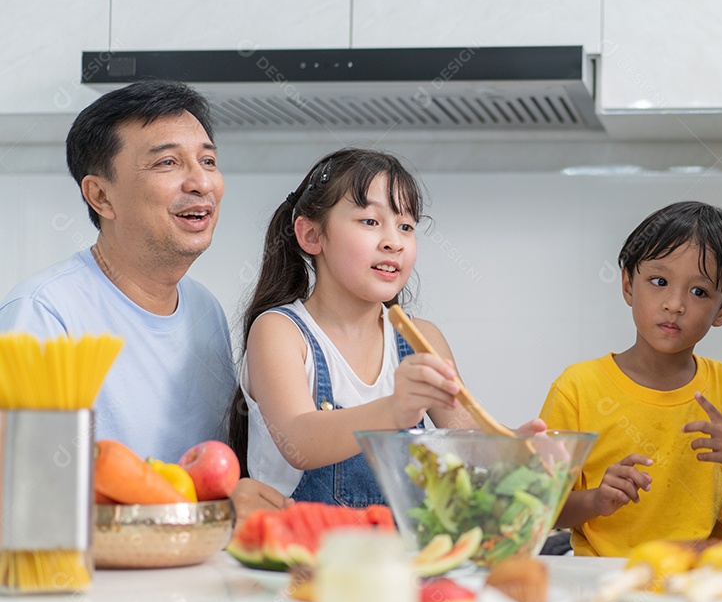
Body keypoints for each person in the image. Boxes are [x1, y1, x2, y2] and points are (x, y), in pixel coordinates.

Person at [0, 79, 289, 522]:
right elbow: (21, 496)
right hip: (96, 582)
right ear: (101, 196)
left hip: (191, 569)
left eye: (208, 160)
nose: (200, 182)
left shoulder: (205, 310)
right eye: (168, 162)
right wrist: (208, 512)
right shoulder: (43, 315)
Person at [229, 148, 544, 506]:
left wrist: (510, 451)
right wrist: (395, 409)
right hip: (302, 551)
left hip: (396, 554)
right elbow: (300, 442)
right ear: (312, 235)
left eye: (406, 226)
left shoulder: (422, 339)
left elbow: (465, 443)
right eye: (370, 222)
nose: (393, 241)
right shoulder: (279, 331)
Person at [540, 201, 722, 557]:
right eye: (659, 281)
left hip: (696, 584)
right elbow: (541, 510)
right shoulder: (577, 388)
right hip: (603, 582)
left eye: (699, 292)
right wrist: (596, 500)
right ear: (627, 284)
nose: (674, 304)